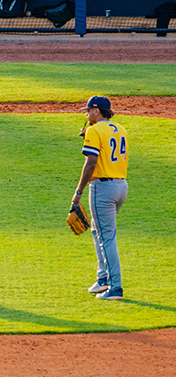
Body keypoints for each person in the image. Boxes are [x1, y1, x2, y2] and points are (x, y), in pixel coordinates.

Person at [72, 95, 128, 301]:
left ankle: (115, 287)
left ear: (97, 111)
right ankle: (103, 278)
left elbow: (91, 163)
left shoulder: (94, 131)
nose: (86, 114)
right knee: (98, 231)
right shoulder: (120, 129)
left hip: (102, 189)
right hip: (121, 186)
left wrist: (78, 192)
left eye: (88, 111)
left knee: (106, 237)